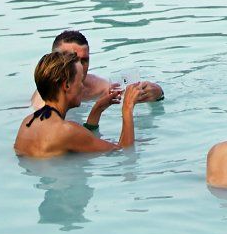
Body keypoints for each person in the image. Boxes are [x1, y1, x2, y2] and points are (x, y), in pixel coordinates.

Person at [14, 50, 148, 158]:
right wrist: (128, 107)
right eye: (80, 82)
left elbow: (80, 142)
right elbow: (124, 152)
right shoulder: (67, 130)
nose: (82, 87)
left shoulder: (27, 122)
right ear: (66, 85)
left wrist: (97, 110)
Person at [28, 29, 165, 112]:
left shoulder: (97, 86)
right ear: (56, 61)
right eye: (74, 59)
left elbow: (130, 94)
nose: (81, 66)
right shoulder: (43, 103)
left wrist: (156, 92)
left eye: (85, 60)